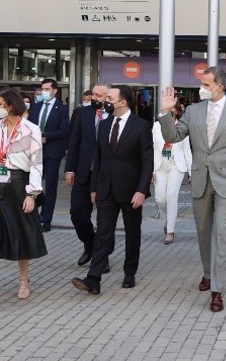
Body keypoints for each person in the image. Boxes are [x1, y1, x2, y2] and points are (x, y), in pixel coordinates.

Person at [158, 67, 226, 312]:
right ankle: (208, 272)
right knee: (203, 230)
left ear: (220, 86)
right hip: (200, 178)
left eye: (206, 84)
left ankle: (217, 290)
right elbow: (174, 136)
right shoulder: (193, 110)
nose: (202, 88)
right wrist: (166, 112)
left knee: (221, 231)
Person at [71, 85, 154, 294]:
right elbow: (98, 159)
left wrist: (142, 190)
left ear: (122, 102)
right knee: (103, 234)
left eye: (109, 97)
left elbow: (147, 162)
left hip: (131, 190)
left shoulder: (141, 126)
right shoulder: (105, 125)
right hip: (105, 189)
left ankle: (130, 271)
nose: (105, 100)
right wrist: (94, 188)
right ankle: (94, 278)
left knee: (132, 232)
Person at [0, 88, 47, 315]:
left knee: (21, 232)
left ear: (11, 106)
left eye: (0, 103)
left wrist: (32, 194)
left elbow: (36, 164)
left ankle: (23, 280)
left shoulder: (31, 129)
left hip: (19, 183)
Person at [65, 84, 110, 267]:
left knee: (104, 219)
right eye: (93, 94)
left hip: (105, 175)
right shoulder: (82, 114)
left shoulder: (114, 116)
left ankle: (102, 258)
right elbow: (74, 142)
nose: (94, 98)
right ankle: (90, 244)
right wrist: (70, 169)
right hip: (84, 172)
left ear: (107, 97)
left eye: (98, 95)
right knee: (77, 213)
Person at [28, 78, 69, 231]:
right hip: (35, 152)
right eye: (42, 89)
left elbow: (64, 130)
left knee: (50, 186)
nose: (43, 92)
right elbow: (29, 126)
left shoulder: (62, 109)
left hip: (52, 152)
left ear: (54, 91)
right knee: (34, 185)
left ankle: (46, 219)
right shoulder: (36, 107)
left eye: (46, 89)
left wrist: (47, 136)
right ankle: (35, 212)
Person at [153, 102, 192, 244]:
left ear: (176, 112)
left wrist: (191, 172)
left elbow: (187, 151)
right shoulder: (156, 127)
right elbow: (152, 148)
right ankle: (166, 220)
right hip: (160, 165)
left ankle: (170, 230)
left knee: (171, 196)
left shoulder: (182, 127)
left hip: (176, 165)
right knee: (160, 199)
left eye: (171, 111)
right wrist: (151, 170)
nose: (168, 113)